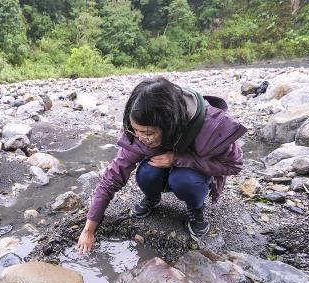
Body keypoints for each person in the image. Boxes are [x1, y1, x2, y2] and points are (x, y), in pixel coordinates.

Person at [76, 76, 246, 254]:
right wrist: (89, 229)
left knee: (184, 180)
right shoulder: (140, 131)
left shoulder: (210, 127)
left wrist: (179, 159)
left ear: (168, 124)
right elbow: (112, 177)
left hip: (192, 173)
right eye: (136, 130)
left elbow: (233, 166)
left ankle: (195, 209)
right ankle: (152, 197)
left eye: (147, 133)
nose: (140, 138)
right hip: (160, 167)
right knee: (146, 172)